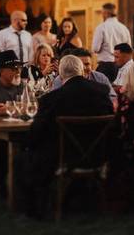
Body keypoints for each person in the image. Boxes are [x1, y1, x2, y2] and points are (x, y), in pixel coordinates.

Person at [19, 55, 114, 216]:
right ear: (82, 71)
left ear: (61, 75)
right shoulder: (102, 93)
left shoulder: (52, 99)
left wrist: (26, 144)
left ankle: (32, 209)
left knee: (22, 158)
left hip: (63, 157)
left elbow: (36, 132)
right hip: (99, 155)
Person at [50, 48, 117, 107]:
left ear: (92, 65)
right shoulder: (60, 79)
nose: (84, 68)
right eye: (80, 64)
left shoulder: (100, 78)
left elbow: (113, 97)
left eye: (87, 64)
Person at [92, 3, 131, 81]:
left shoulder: (101, 27)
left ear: (106, 13)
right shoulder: (124, 28)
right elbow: (128, 48)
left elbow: (95, 48)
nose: (102, 15)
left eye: (102, 13)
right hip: (121, 66)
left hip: (105, 66)